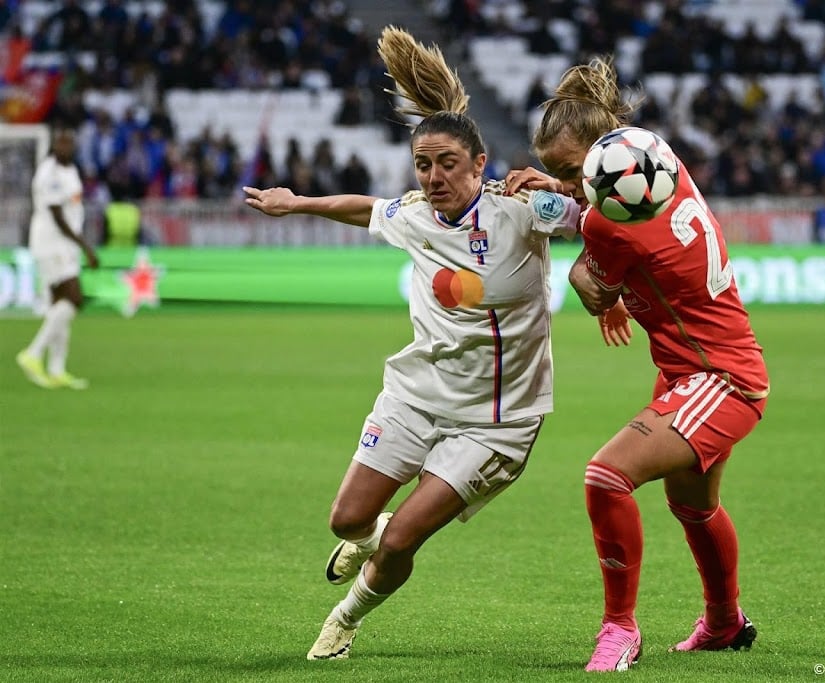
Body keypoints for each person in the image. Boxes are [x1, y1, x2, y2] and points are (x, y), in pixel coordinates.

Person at [242, 26, 580, 662]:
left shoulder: (520, 212)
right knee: (348, 521)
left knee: (400, 541)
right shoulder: (414, 214)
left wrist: (564, 192)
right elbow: (364, 206)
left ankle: (344, 622)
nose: (433, 177)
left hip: (496, 420)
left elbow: (602, 217)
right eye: (423, 165)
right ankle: (362, 540)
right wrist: (296, 204)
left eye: (447, 164)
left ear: (480, 164)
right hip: (416, 395)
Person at [505, 57, 770, 672]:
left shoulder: (608, 227)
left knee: (606, 476)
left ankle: (620, 629)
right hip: (694, 366)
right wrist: (564, 193)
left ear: (602, 156)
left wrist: (591, 277)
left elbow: (591, 281)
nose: (567, 183)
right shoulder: (656, 162)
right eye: (556, 172)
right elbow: (599, 217)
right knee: (694, 506)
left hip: (720, 377)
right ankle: (726, 624)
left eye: (570, 171)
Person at [16, 126, 99, 390]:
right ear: (54, 145)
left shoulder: (71, 170)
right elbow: (57, 215)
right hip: (52, 243)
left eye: (70, 142)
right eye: (62, 142)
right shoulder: (48, 172)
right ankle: (33, 353)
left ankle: (56, 368)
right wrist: (85, 246)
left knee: (60, 306)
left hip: (65, 246)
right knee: (74, 299)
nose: (67, 147)